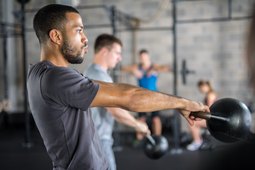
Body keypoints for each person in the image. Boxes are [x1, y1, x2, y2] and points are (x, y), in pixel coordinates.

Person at [27, 4, 209, 170]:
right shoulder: (56, 77)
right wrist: (182, 104)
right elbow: (129, 97)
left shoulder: (37, 74)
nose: (85, 39)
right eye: (79, 31)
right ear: (56, 36)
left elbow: (116, 91)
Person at [85, 33, 150, 170]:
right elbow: (114, 111)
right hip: (99, 140)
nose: (120, 58)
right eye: (117, 53)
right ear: (104, 51)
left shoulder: (90, 71)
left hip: (92, 139)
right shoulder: (100, 77)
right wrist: (138, 125)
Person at [121, 49, 170, 144]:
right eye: (142, 57)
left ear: (148, 57)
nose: (143, 59)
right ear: (140, 58)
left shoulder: (153, 66)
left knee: (155, 119)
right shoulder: (137, 67)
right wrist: (133, 71)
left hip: (154, 96)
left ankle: (157, 139)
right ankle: (139, 139)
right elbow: (123, 68)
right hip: (141, 97)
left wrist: (154, 70)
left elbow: (167, 68)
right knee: (141, 119)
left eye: (145, 57)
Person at [186, 80, 217, 151]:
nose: (201, 90)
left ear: (206, 86)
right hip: (210, 118)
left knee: (192, 123)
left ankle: (197, 142)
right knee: (193, 120)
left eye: (201, 88)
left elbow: (209, 109)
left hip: (212, 120)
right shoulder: (210, 94)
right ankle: (198, 140)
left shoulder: (210, 95)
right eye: (200, 88)